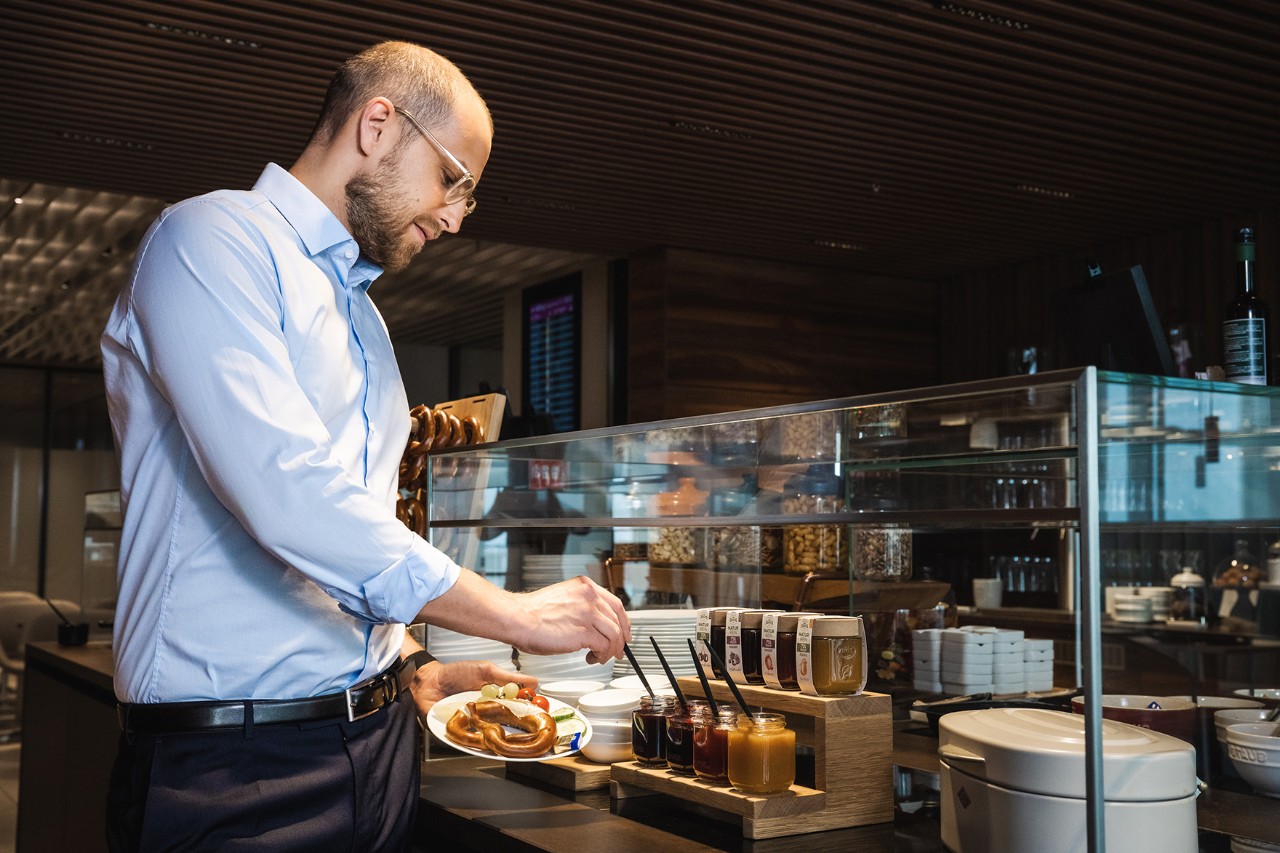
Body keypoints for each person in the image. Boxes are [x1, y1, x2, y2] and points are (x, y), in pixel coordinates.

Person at [100, 41, 629, 851]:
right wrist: (511, 612)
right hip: (230, 769)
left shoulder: (367, 323)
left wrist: (416, 662)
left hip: (378, 745)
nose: (454, 215)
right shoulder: (210, 241)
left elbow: (351, 535)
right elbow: (288, 494)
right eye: (454, 179)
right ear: (378, 124)